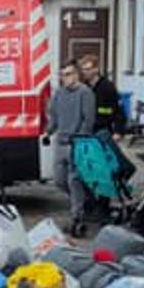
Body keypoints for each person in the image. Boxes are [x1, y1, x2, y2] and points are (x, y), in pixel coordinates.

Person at [47, 63, 96, 227]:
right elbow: (53, 115)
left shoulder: (85, 93)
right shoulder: (59, 93)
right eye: (62, 75)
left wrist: (80, 138)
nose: (64, 78)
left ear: (76, 75)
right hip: (60, 143)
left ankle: (77, 216)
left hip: (76, 143)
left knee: (74, 180)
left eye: (67, 74)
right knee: (59, 180)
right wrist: (48, 130)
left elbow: (88, 120)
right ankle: (86, 200)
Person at [80, 55, 122, 134]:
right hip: (86, 130)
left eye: (88, 69)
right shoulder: (83, 87)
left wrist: (118, 131)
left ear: (96, 69)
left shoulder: (107, 87)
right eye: (83, 70)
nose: (84, 72)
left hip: (103, 130)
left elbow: (117, 110)